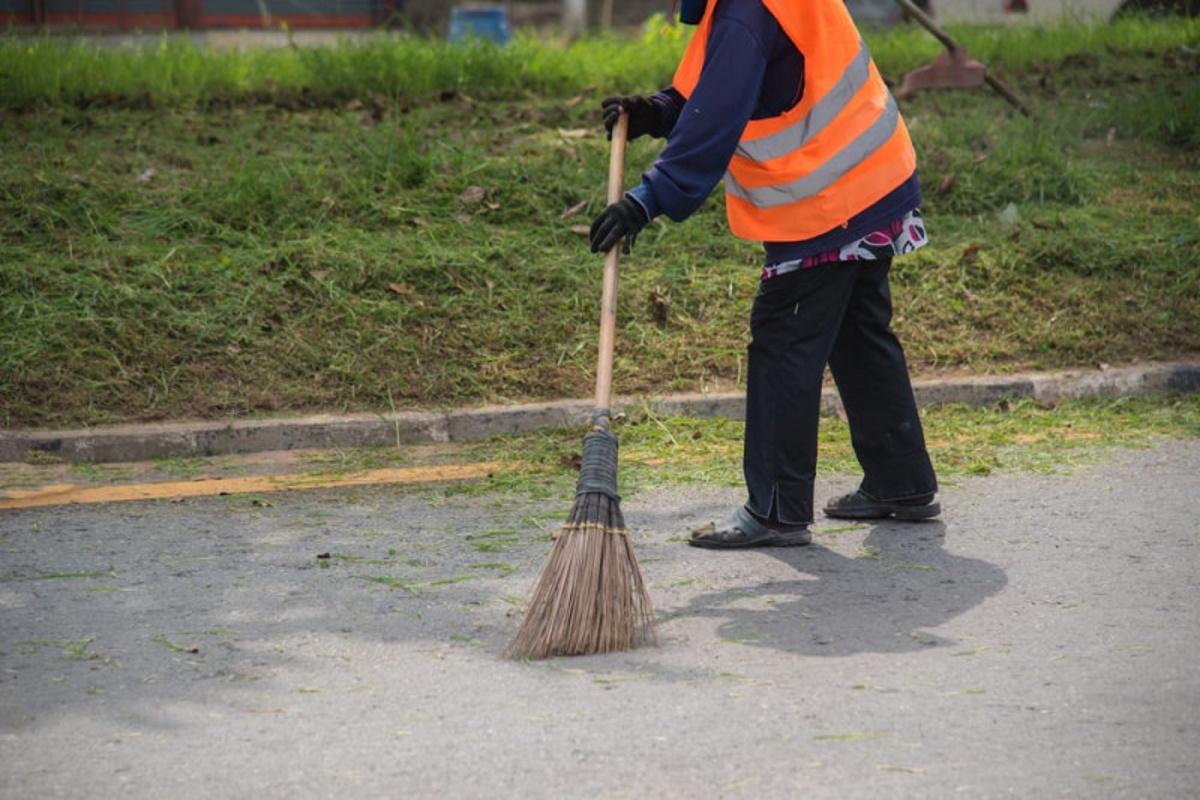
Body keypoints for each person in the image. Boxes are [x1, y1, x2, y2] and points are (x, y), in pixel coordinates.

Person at [589, 0, 940, 549]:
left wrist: (647, 200)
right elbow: (746, 82)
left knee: (783, 339)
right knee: (858, 335)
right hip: (875, 179)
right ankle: (902, 483)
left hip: (828, 200)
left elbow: (722, 111)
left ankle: (776, 508)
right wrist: (661, 110)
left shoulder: (744, 12)